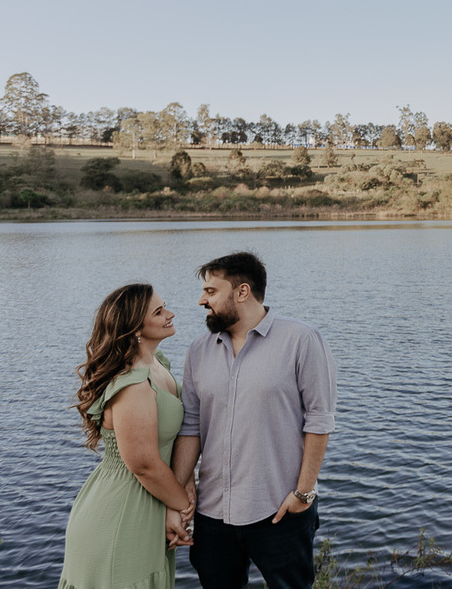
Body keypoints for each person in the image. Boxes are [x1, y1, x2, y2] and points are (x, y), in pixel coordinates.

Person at [172, 252, 336, 589]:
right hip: (212, 513)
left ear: (242, 292)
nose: (202, 300)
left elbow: (319, 421)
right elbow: (190, 426)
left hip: (279, 510)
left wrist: (303, 494)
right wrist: (179, 489)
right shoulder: (198, 351)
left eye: (211, 292)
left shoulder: (301, 340)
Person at [60, 284, 194, 589]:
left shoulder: (158, 366)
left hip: (152, 500)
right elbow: (144, 463)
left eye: (165, 306)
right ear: (134, 329)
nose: (170, 314)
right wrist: (181, 506)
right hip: (123, 512)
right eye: (159, 312)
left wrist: (182, 492)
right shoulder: (133, 385)